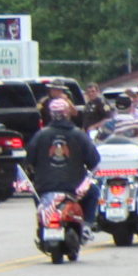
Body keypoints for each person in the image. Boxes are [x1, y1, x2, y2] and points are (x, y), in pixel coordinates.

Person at [24, 96, 102, 228]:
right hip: (74, 187)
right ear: (67, 113)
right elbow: (94, 161)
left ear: (51, 114)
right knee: (93, 191)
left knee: (36, 196)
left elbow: (28, 160)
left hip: (45, 186)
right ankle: (87, 225)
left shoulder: (40, 135)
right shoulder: (79, 135)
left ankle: (42, 224)